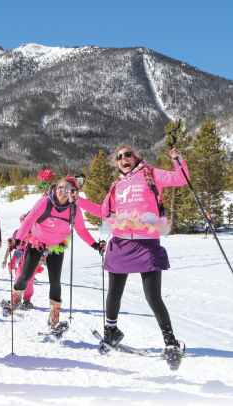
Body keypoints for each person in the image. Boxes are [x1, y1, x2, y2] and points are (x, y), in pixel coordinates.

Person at [76, 146, 188, 369]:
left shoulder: (150, 173)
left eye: (127, 154)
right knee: (113, 294)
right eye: (119, 157)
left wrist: (178, 160)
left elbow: (180, 179)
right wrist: (76, 200)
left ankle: (170, 342)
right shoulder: (116, 185)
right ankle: (111, 332)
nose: (123, 158)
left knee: (152, 297)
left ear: (136, 157)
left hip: (147, 242)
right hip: (120, 242)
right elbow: (101, 210)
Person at [13, 176, 103, 336]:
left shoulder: (74, 209)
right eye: (61, 188)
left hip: (57, 244)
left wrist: (94, 245)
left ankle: (54, 319)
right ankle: (14, 299)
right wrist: (17, 239)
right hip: (37, 240)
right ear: (55, 188)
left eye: (69, 190)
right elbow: (28, 221)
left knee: (55, 281)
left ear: (73, 193)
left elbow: (81, 229)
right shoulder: (44, 203)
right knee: (26, 276)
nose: (64, 192)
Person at [1, 213, 42, 312]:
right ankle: (16, 299)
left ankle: (27, 300)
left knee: (30, 281)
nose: (25, 222)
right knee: (18, 279)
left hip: (31, 259)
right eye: (23, 220)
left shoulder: (35, 232)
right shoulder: (17, 233)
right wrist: (5, 259)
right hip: (19, 260)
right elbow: (10, 247)